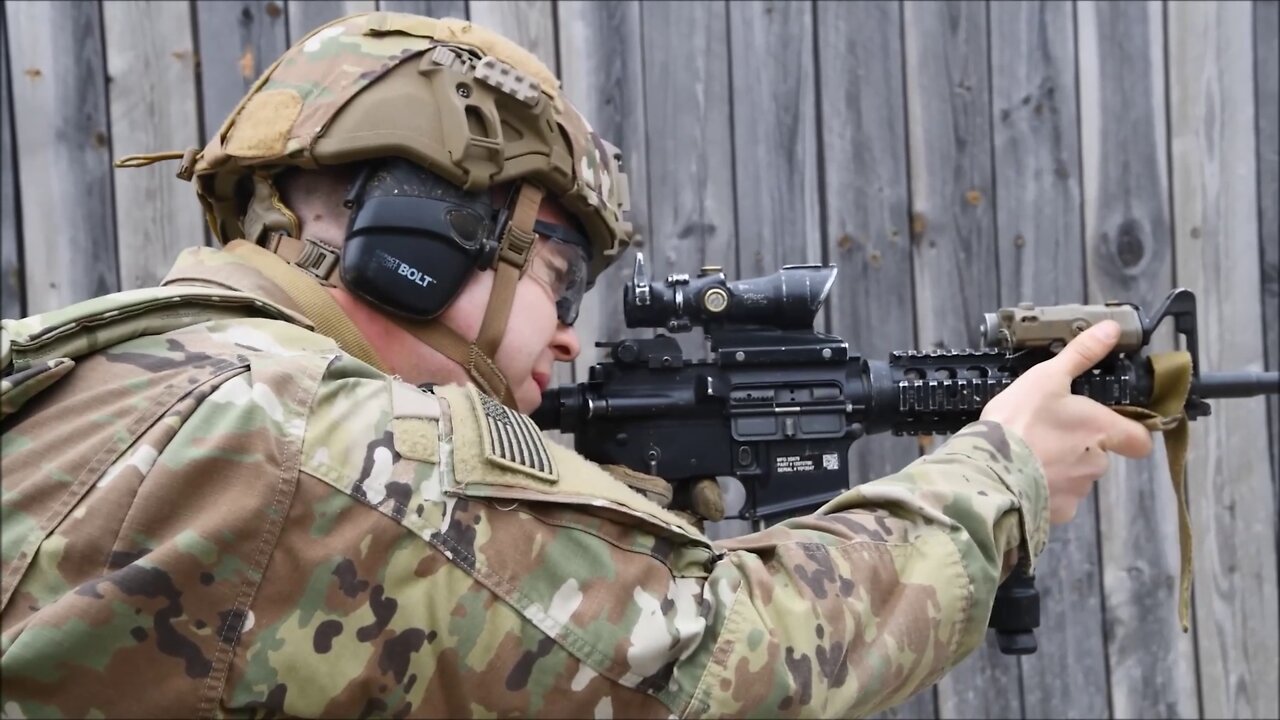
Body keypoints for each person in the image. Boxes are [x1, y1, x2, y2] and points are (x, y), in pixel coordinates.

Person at [0, 11, 1153, 718]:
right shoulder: (320, 443)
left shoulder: (117, 363)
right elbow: (717, 664)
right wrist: (996, 481)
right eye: (558, 274)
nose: (565, 333)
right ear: (420, 242)